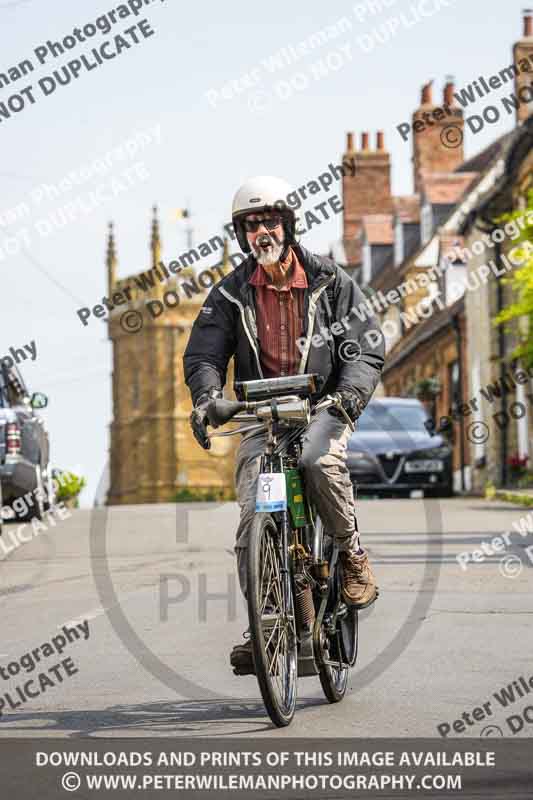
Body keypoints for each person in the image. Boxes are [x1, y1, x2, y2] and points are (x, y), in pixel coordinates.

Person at [183, 176, 385, 675]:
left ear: (288, 225)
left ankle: (352, 555)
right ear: (242, 236)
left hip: (322, 407)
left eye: (270, 221)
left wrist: (347, 396)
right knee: (255, 516)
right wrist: (209, 398)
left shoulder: (330, 281)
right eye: (251, 226)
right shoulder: (229, 295)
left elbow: (365, 346)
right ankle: (266, 624)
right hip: (260, 417)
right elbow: (204, 355)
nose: (262, 232)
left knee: (317, 461)